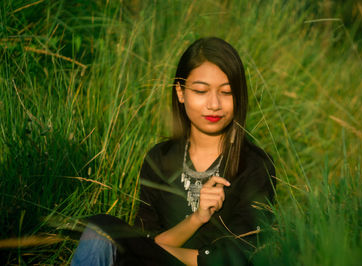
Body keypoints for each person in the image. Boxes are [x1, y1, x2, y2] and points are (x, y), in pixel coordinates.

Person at [71, 37, 275, 266]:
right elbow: (148, 242)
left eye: (226, 92)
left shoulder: (255, 165)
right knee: (101, 229)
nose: (214, 104)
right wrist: (197, 218)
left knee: (111, 236)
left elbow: (241, 254)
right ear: (180, 92)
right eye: (201, 91)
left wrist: (154, 253)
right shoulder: (160, 158)